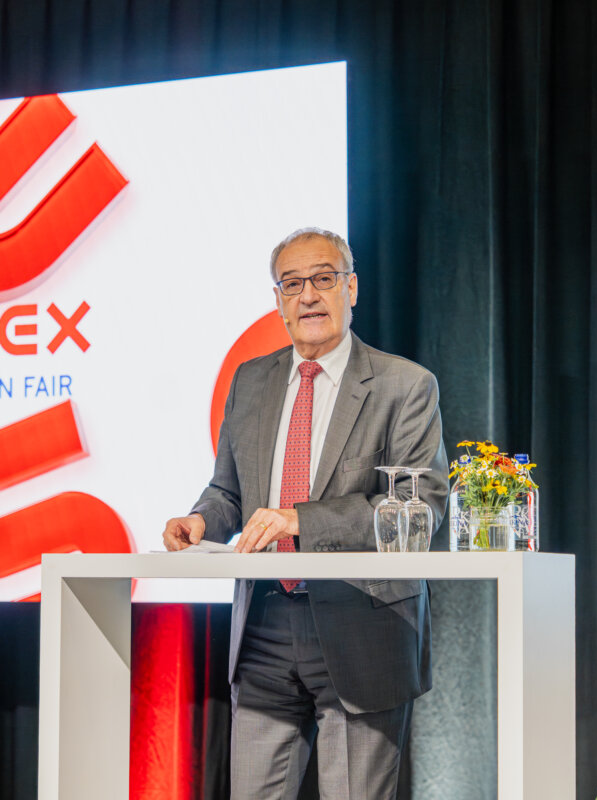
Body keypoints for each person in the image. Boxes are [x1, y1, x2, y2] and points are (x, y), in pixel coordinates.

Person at [162, 227, 448, 800]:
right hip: (264, 626)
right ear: (278, 300)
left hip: (362, 623)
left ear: (352, 288)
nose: (309, 296)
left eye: (323, 278)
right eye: (292, 284)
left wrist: (301, 520)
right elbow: (229, 492)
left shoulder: (404, 385)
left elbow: (419, 505)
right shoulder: (251, 380)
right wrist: (201, 521)